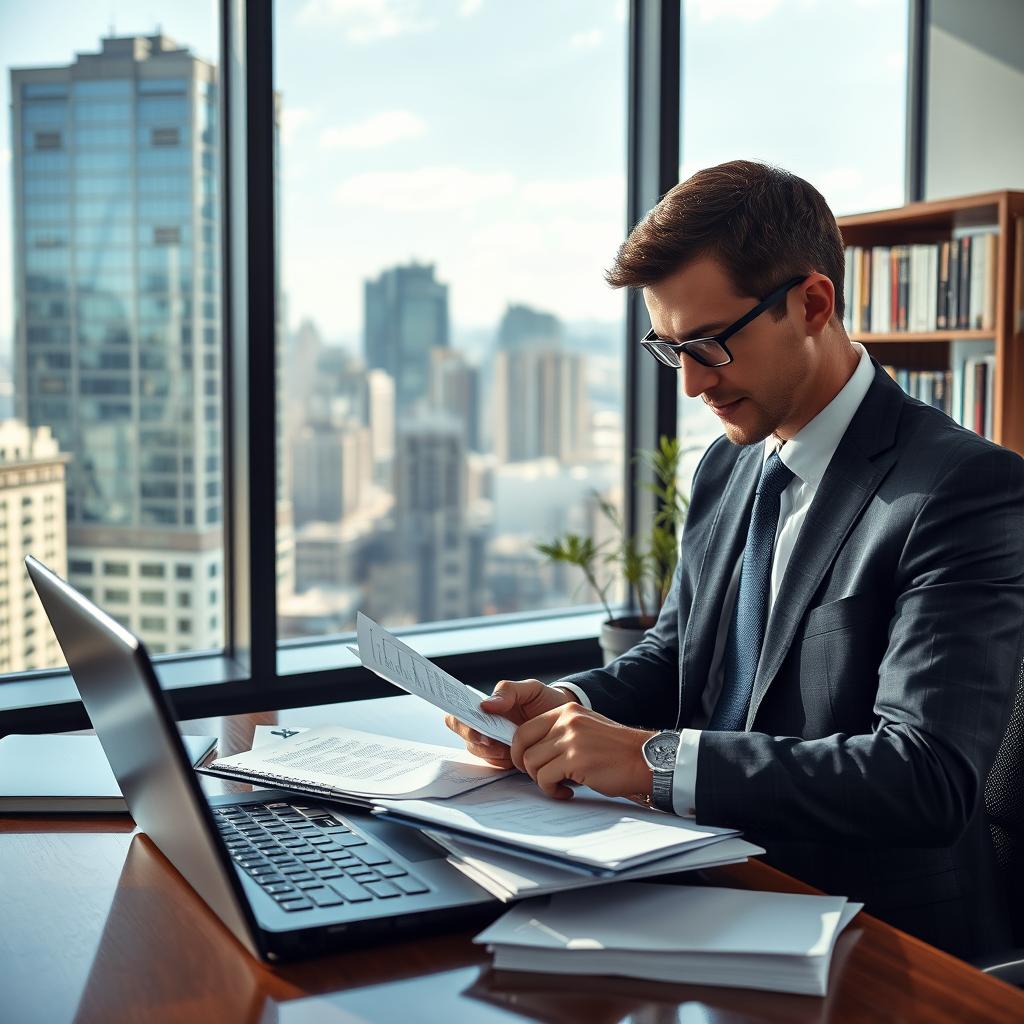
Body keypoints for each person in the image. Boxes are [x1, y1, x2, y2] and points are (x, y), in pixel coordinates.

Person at [446, 160, 1024, 959]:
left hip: (875, 937)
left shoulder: (961, 488)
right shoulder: (729, 465)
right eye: (670, 348)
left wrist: (651, 760)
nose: (689, 386)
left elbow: (923, 777)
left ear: (812, 304)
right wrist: (564, 705)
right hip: (700, 882)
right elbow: (677, 653)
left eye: (710, 345)